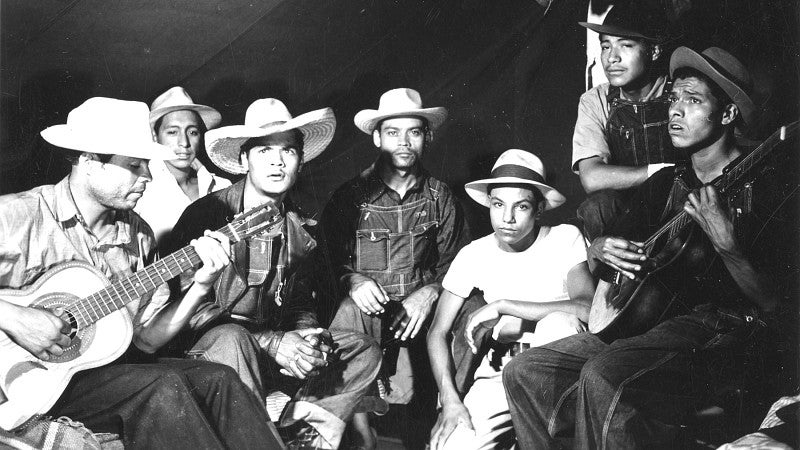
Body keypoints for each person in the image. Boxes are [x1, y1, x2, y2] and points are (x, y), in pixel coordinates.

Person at [503, 46, 787, 449]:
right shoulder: (665, 183)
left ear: (726, 115)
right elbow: (602, 261)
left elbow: (776, 306)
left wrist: (728, 246)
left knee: (604, 375)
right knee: (525, 370)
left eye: (693, 100)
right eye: (674, 98)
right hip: (653, 326)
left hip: (727, 333)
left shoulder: (767, 183)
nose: (675, 110)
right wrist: (599, 249)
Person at [0, 97, 283, 449]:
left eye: (146, 164)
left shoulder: (137, 234)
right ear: (89, 162)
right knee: (163, 386)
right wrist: (16, 318)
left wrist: (200, 285)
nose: (147, 176)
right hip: (22, 384)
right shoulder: (17, 216)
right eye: (134, 165)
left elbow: (147, 338)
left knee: (219, 379)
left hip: (89, 374)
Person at [165, 98, 383, 450]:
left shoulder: (304, 227)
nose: (277, 161)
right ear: (242, 160)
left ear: (300, 161)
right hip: (210, 350)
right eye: (264, 150)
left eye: (289, 151)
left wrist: (306, 337)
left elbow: (299, 301)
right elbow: (188, 313)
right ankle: (262, 437)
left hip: (272, 353)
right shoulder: (205, 217)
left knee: (363, 350)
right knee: (233, 338)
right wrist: (270, 342)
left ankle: (300, 433)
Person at [323, 88, 470, 447]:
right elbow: (325, 261)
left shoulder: (441, 198)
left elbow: (460, 263)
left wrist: (430, 291)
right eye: (392, 133)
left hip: (421, 309)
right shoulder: (349, 196)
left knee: (470, 313)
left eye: (414, 132)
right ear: (376, 137)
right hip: (368, 309)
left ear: (427, 137)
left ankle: (454, 419)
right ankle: (355, 434)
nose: (403, 142)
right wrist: (352, 278)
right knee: (345, 314)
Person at [426, 149, 596, 450]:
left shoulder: (564, 238)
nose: (507, 218)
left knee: (559, 324)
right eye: (498, 204)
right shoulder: (473, 254)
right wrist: (450, 399)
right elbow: (437, 332)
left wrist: (505, 306)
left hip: (558, 375)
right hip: (500, 370)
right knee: (453, 445)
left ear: (539, 209)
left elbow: (587, 307)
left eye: (521, 206)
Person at [573, 4, 680, 240]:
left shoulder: (679, 91)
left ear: (654, 51)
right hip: (627, 215)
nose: (612, 57)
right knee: (597, 207)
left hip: (678, 204)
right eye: (605, 46)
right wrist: (659, 171)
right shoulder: (596, 100)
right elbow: (592, 178)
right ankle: (609, 275)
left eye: (626, 45)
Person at [135, 86, 231, 248]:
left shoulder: (222, 187)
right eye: (172, 132)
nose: (184, 143)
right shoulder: (139, 191)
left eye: (193, 132)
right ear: (155, 136)